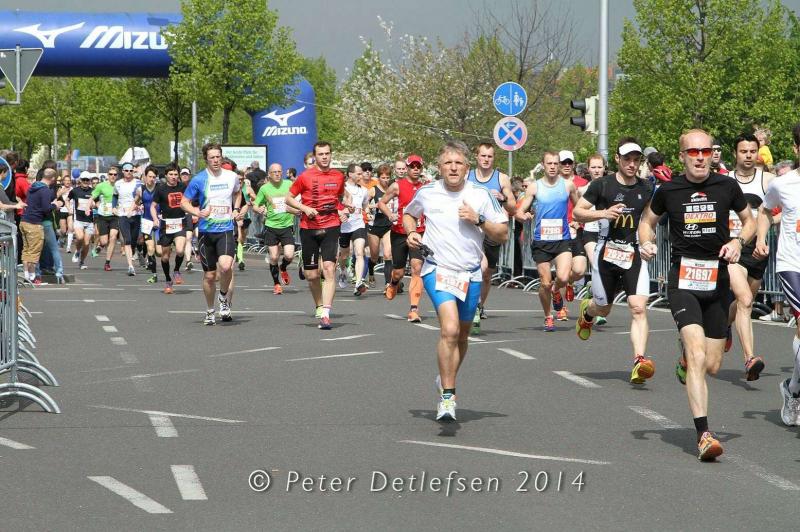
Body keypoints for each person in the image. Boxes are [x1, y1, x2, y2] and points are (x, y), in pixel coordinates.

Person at [638, 128, 754, 461]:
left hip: (717, 282)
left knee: (712, 365)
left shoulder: (726, 186)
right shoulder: (669, 190)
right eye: (693, 152)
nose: (701, 157)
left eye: (706, 151)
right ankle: (703, 434)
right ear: (682, 156)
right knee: (697, 353)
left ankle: (687, 359)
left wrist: (737, 242)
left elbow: (749, 221)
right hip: (683, 280)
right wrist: (645, 242)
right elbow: (647, 222)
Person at [404, 141, 508, 421]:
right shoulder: (427, 192)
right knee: (449, 330)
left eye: (458, 163)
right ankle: (448, 396)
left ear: (467, 168)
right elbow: (409, 214)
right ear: (439, 167)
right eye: (448, 163)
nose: (453, 168)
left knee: (462, 335)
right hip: (437, 269)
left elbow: (502, 234)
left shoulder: (480, 195)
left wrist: (479, 219)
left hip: (470, 273)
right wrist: (412, 232)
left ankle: (444, 378)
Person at [574, 139, 655, 384]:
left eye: (636, 160)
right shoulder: (602, 185)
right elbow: (578, 212)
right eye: (627, 159)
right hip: (606, 253)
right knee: (604, 308)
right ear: (617, 159)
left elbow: (647, 222)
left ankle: (639, 360)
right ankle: (588, 311)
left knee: (638, 307)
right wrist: (603, 213)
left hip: (633, 253)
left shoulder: (647, 188)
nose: (632, 164)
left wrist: (648, 243)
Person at [754, 123, 800, 426]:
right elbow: (764, 210)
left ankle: (792, 389)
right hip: (791, 263)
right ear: (796, 149)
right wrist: (760, 238)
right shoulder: (783, 184)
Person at [285, 141, 349, 330]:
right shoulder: (305, 176)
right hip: (309, 227)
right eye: (321, 154)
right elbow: (288, 198)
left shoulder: (338, 176)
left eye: (327, 153)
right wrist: (304, 208)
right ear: (315, 156)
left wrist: (343, 210)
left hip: (331, 225)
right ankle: (319, 304)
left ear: (331, 155)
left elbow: (339, 199)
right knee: (312, 275)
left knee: (329, 268)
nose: (324, 157)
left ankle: (326, 313)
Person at [725, 133, 772, 380]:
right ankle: (750, 358)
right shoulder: (724, 181)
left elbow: (779, 212)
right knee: (744, 300)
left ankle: (723, 324)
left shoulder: (768, 181)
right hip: (733, 250)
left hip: (758, 251)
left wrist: (762, 233)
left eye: (752, 151)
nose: (748, 156)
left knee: (744, 302)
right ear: (735, 153)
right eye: (743, 151)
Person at [516, 151, 580, 331]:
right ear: (543, 165)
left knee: (563, 277)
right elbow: (520, 211)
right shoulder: (534, 187)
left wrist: (577, 220)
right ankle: (548, 316)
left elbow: (579, 206)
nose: (552, 167)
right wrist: (523, 216)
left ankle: (556, 291)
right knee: (545, 282)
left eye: (555, 163)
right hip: (541, 241)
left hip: (562, 239)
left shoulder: (568, 185)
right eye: (549, 163)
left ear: (559, 165)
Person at [181, 143, 243, 325]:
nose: (216, 160)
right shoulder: (199, 179)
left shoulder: (231, 177)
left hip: (225, 229)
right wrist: (197, 212)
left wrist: (236, 209)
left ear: (221, 157)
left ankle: (223, 297)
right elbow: (184, 202)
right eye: (212, 157)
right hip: (206, 232)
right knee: (209, 275)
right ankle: (209, 310)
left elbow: (238, 193)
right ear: (206, 159)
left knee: (226, 266)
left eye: (218, 157)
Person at [466, 142, 516, 333]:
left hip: (492, 228)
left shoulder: (501, 178)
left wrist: (503, 198)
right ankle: (471, 305)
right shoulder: (467, 176)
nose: (486, 159)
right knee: (476, 267)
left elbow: (513, 207)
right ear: (477, 157)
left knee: (487, 273)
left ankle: (479, 305)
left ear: (493, 158)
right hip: (471, 228)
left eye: (490, 156)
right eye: (483, 156)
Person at [378, 154, 427, 322]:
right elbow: (381, 202)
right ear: (407, 168)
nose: (415, 169)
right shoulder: (397, 185)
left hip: (419, 232)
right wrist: (390, 214)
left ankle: (414, 309)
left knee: (416, 268)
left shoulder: (426, 187)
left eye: (418, 167)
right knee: (398, 272)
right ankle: (393, 283)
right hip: (399, 232)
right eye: (412, 166)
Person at [253, 162, 299, 295]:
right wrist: (259, 209)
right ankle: (276, 284)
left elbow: (297, 199)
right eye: (274, 172)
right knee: (273, 257)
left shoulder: (289, 184)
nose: (277, 174)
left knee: (289, 255)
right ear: (269, 174)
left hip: (287, 225)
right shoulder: (264, 189)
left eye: (279, 172)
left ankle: (283, 267)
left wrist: (297, 208)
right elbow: (256, 204)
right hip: (271, 226)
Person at [150, 163, 187, 294]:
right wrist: (155, 219)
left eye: (176, 174)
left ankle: (176, 270)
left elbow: (190, 201)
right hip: (166, 225)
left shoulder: (183, 187)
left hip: (180, 222)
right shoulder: (161, 189)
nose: (173, 177)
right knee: (164, 257)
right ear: (166, 175)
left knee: (180, 250)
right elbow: (153, 206)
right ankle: (168, 280)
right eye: (171, 174)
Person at [20, 168, 60, 284]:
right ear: (53, 178)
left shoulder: (32, 187)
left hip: (24, 221)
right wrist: (55, 205)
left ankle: (26, 274)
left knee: (27, 250)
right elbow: (46, 209)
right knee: (34, 251)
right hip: (34, 223)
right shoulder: (45, 190)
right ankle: (32, 277)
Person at [338, 163, 371, 296]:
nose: (361, 176)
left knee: (359, 253)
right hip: (344, 226)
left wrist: (368, 212)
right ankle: (342, 271)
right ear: (350, 174)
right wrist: (341, 213)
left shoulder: (364, 190)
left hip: (359, 224)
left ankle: (358, 282)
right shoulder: (342, 188)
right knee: (345, 255)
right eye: (358, 173)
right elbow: (335, 203)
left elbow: (365, 205)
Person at [367, 164, 394, 292]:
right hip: (374, 226)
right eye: (383, 177)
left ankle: (388, 284)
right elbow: (364, 204)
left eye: (388, 177)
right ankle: (371, 270)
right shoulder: (373, 190)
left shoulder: (392, 189)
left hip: (388, 225)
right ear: (378, 178)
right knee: (374, 256)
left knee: (388, 254)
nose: (385, 180)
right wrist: (372, 208)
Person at [114, 162, 143, 276]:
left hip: (135, 214)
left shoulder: (138, 183)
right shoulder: (118, 184)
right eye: (126, 170)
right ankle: (131, 266)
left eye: (131, 171)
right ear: (123, 171)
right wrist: (113, 207)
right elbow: (115, 196)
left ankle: (135, 251)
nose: (129, 172)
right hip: (123, 214)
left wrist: (138, 205)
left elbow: (141, 197)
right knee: (127, 239)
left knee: (134, 240)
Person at [91, 166, 120, 270]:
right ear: (108, 175)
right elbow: (93, 196)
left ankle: (107, 263)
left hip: (115, 216)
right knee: (104, 241)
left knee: (113, 237)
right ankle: (101, 245)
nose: (113, 176)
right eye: (111, 174)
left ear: (117, 176)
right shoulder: (101, 186)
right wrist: (89, 206)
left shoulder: (119, 185)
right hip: (103, 216)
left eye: (115, 174)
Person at [69, 172, 95, 269]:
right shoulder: (75, 191)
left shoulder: (93, 191)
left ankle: (82, 262)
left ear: (90, 181)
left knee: (87, 243)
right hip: (78, 219)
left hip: (89, 221)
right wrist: (69, 208)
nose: (85, 182)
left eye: (87, 180)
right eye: (83, 179)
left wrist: (94, 205)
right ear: (80, 180)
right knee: (80, 237)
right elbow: (67, 199)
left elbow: (97, 203)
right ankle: (77, 250)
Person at [140, 165, 161, 283]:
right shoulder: (141, 189)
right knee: (150, 247)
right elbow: (136, 201)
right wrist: (130, 210)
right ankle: (154, 274)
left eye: (154, 177)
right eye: (150, 176)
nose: (152, 179)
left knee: (159, 252)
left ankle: (152, 260)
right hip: (146, 222)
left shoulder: (160, 189)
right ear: (145, 176)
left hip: (159, 221)